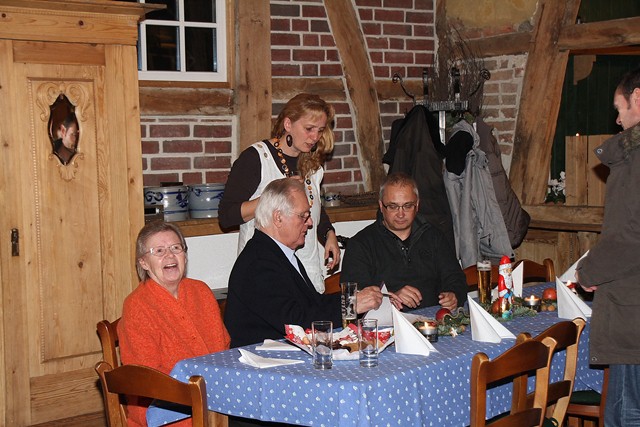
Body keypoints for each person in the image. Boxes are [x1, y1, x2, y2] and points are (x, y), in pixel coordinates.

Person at [224, 178, 387, 348]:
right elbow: (296, 321)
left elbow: (314, 303)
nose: (310, 223)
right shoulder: (258, 262)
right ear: (278, 218)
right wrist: (350, 304)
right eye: (303, 216)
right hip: (261, 359)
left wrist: (357, 298)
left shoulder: (276, 253)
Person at [218, 93, 340, 294]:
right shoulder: (256, 158)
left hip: (306, 274)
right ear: (288, 124)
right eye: (309, 129)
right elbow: (226, 216)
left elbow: (313, 207)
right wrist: (275, 197)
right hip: (265, 274)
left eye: (320, 130)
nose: (315, 137)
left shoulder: (313, 165)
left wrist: (329, 234)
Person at [575, 67, 640, 427]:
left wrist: (589, 271)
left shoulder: (637, 156)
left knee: (626, 415)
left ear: (637, 98)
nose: (617, 120)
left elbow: (631, 237)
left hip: (634, 314)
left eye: (619, 108)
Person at [118, 221, 230, 427]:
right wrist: (199, 393)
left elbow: (223, 349)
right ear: (144, 262)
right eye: (159, 251)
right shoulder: (137, 306)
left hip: (213, 399)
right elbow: (147, 376)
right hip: (163, 406)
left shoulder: (201, 291)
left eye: (176, 248)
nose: (169, 255)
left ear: (184, 255)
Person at [341, 172, 468, 310]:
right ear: (381, 206)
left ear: (417, 205)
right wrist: (391, 299)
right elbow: (354, 299)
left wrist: (454, 295)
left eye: (407, 206)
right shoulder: (360, 244)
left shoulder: (434, 236)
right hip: (386, 321)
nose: (401, 214)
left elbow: (456, 278)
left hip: (434, 319)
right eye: (393, 206)